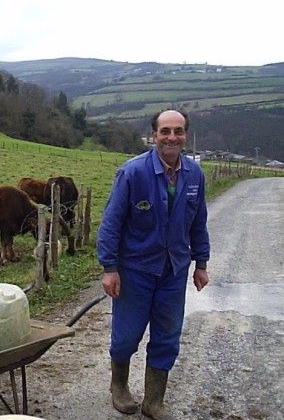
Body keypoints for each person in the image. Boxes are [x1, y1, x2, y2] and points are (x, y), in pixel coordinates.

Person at [97, 110, 210, 420]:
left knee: (167, 336)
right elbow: (111, 223)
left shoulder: (194, 175)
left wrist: (201, 262)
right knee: (126, 335)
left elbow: (198, 222)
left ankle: (154, 401)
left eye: (178, 131)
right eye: (165, 131)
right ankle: (119, 386)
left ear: (185, 135)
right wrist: (109, 268)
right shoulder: (133, 173)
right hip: (135, 270)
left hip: (174, 270)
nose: (171, 137)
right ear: (154, 135)